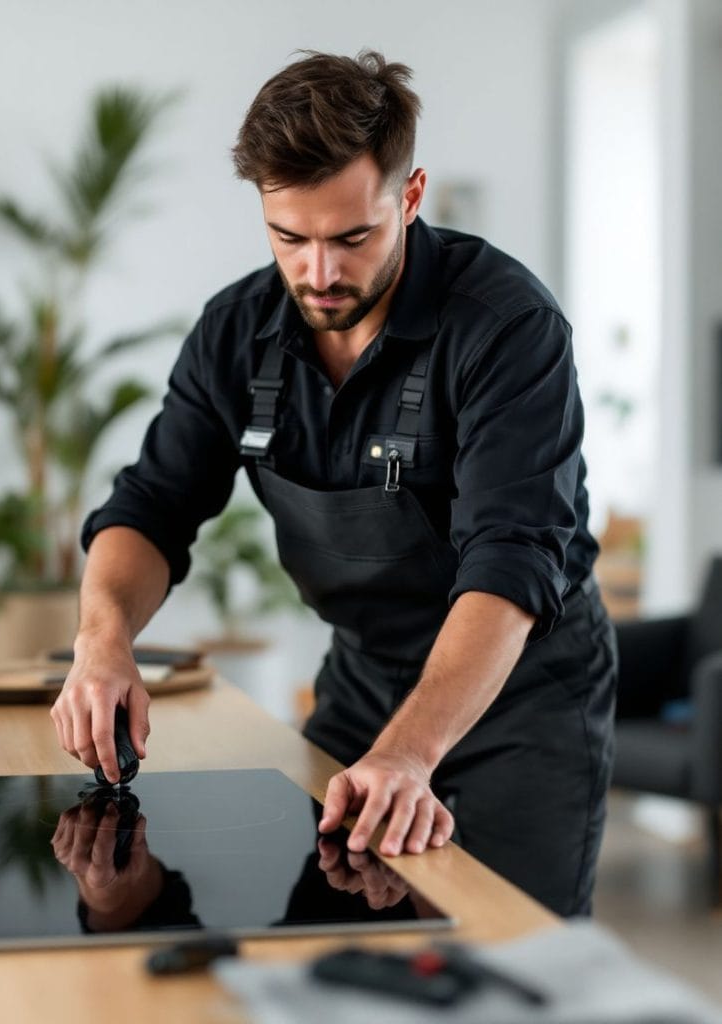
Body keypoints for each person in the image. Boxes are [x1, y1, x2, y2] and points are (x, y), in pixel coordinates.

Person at [51, 50, 616, 917]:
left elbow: (512, 557)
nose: (318, 273)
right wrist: (101, 638)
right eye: (291, 238)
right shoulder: (235, 332)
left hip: (523, 694)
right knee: (319, 951)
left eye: (352, 237)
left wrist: (410, 753)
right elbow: (152, 507)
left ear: (410, 196)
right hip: (361, 678)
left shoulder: (507, 327)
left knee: (512, 967)